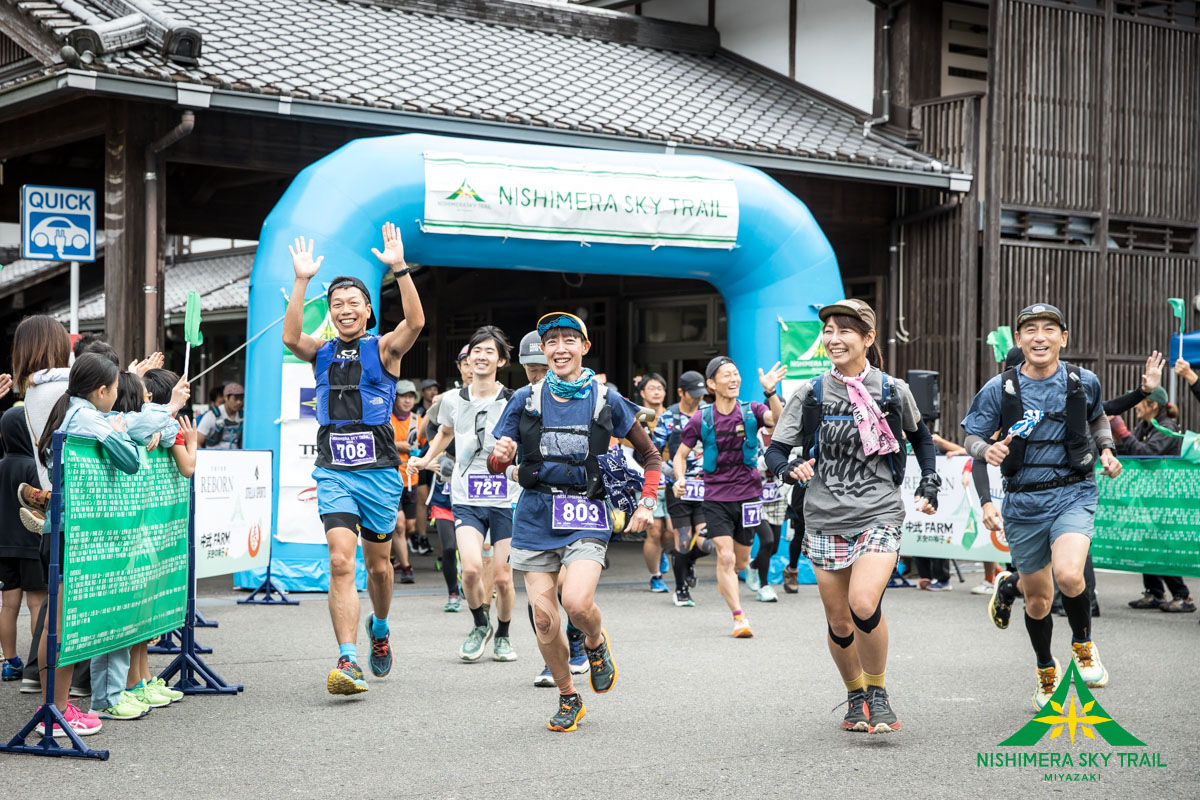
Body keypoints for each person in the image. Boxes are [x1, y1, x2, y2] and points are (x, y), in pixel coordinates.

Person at [766, 299, 939, 735]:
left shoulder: (892, 390)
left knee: (863, 603)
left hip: (879, 511)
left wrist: (930, 480)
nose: (834, 338)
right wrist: (788, 467)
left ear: (867, 337)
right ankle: (855, 693)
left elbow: (921, 437)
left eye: (844, 330)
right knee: (839, 621)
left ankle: (878, 693)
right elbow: (776, 451)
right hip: (824, 517)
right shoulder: (810, 393)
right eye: (828, 330)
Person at [488, 312, 661, 732]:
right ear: (544, 351)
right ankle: (569, 696)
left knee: (578, 604)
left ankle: (595, 642)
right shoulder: (525, 399)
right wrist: (501, 457)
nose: (560, 348)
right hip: (535, 514)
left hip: (587, 509)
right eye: (552, 341)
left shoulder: (607, 399)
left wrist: (647, 502)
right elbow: (497, 465)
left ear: (585, 347)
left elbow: (651, 456)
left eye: (569, 340)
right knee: (544, 619)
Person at [282, 223, 424, 695]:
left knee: (379, 568)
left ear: (368, 311)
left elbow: (415, 323)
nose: (344, 309)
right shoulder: (320, 352)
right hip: (334, 471)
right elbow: (290, 337)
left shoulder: (384, 348)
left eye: (353, 303)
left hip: (379, 474)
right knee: (341, 562)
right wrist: (302, 280)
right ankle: (347, 658)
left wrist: (399, 268)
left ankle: (379, 628)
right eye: (337, 304)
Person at [962, 303, 1121, 711]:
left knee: (1069, 574)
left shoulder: (1082, 381)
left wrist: (1106, 449)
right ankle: (1046, 668)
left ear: (1063, 338)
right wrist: (985, 450)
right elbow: (972, 438)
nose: (1039, 337)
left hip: (1074, 492)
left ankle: (1083, 644)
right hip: (1023, 501)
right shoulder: (999, 388)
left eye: (1049, 329)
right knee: (1038, 600)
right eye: (1030, 329)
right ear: (1019, 339)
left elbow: (1098, 417)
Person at [409, 326, 519, 663]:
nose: (481, 356)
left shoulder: (514, 400)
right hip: (466, 496)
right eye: (476, 351)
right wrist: (425, 459)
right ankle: (479, 625)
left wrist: (518, 460)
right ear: (467, 359)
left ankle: (503, 634)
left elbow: (526, 441)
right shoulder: (452, 399)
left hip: (505, 499)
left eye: (489, 351)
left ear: (501, 360)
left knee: (502, 577)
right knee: (470, 570)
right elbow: (444, 432)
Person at [672, 355, 785, 635]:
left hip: (749, 496)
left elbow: (778, 420)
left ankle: (731, 583)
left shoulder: (752, 410)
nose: (734, 379)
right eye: (727, 374)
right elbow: (680, 455)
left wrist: (771, 392)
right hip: (716, 497)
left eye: (736, 373)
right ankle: (739, 617)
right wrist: (679, 478)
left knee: (741, 562)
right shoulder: (702, 418)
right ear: (711, 384)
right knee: (725, 557)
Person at [1110, 386, 1193, 612]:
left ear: (1153, 405)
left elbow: (1147, 454)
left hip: (1164, 496)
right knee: (1146, 540)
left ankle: (1183, 595)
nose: (1135, 405)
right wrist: (1112, 440)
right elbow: (1130, 451)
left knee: (1159, 543)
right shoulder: (1145, 426)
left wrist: (1122, 431)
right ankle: (1155, 592)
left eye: (1140, 401)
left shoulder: (1167, 427)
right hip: (1147, 494)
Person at [0, 408, 45, 684]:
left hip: (3, 546)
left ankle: (10, 662)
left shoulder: (1, 465)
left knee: (8, 605)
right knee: (37, 603)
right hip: (31, 545)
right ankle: (36, 666)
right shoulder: (33, 467)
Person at [662, 370, 711, 607]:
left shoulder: (709, 413)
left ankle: (687, 561)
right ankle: (681, 589)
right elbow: (650, 453)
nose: (698, 398)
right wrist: (673, 474)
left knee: (708, 543)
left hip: (706, 488)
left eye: (701, 393)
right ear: (681, 392)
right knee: (683, 539)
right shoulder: (668, 417)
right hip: (679, 488)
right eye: (693, 393)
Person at [634, 373, 673, 593]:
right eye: (651, 388)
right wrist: (644, 475)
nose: (657, 392)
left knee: (673, 532)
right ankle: (655, 576)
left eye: (660, 388)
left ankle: (662, 552)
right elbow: (626, 453)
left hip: (673, 482)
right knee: (654, 532)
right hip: (648, 482)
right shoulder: (636, 417)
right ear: (642, 393)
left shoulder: (672, 415)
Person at [390, 380, 424, 582]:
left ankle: (394, 554)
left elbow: (429, 446)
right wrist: (398, 446)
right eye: (403, 396)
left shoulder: (419, 421)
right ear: (395, 398)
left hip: (412, 479)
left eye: (411, 396)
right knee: (400, 525)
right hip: (391, 479)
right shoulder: (385, 419)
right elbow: (375, 442)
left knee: (410, 526)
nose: (407, 400)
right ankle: (406, 568)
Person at [197, 382, 244, 449]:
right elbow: (197, 442)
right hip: (213, 454)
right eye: (235, 399)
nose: (239, 402)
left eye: (241, 399)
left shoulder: (243, 416)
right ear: (226, 398)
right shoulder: (211, 415)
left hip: (237, 454)